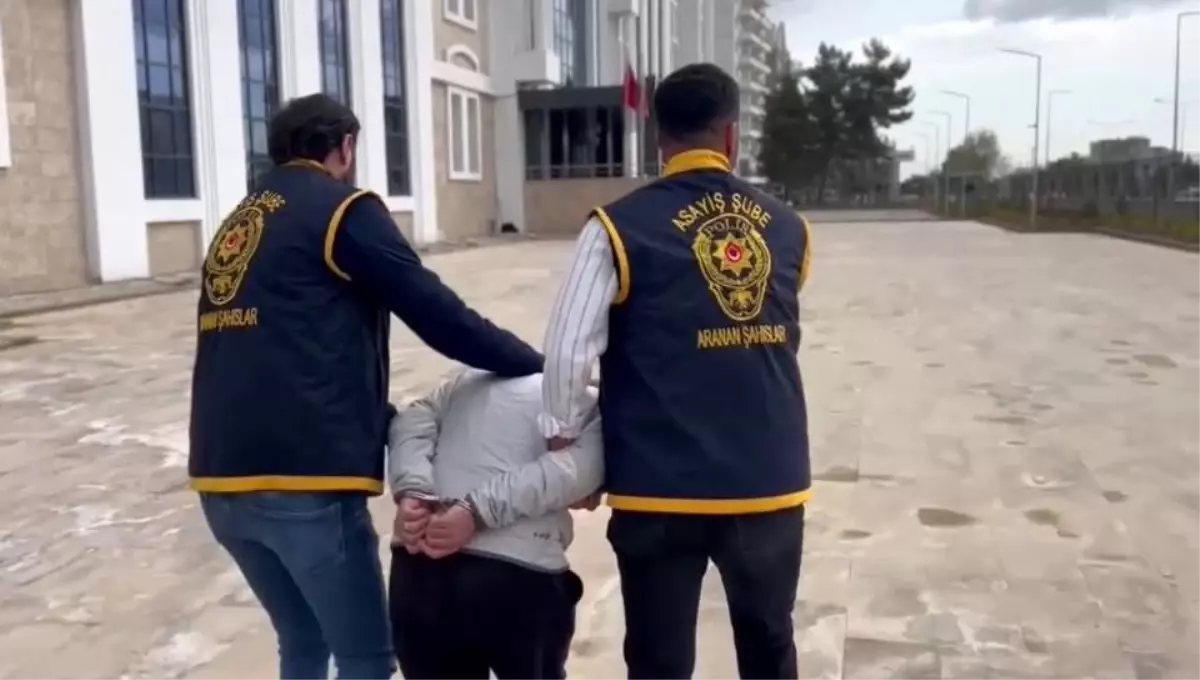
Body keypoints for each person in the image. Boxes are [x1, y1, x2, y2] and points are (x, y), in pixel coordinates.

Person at [188, 93, 543, 680]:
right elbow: (437, 313)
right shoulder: (341, 210)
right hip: (304, 480)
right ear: (345, 147)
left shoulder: (241, 222)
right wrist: (535, 365)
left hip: (219, 480)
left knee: (302, 641)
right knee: (366, 659)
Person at [540, 63, 814, 680]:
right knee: (770, 644)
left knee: (659, 659)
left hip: (657, 483)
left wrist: (563, 439)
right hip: (766, 477)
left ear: (658, 136)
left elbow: (568, 349)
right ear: (731, 134)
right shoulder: (788, 228)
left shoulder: (615, 227)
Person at [387, 369, 602, 679]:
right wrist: (475, 511)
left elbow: (410, 420)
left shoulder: (465, 380)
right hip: (518, 575)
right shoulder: (591, 402)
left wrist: (413, 489)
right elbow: (576, 471)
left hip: (418, 563)